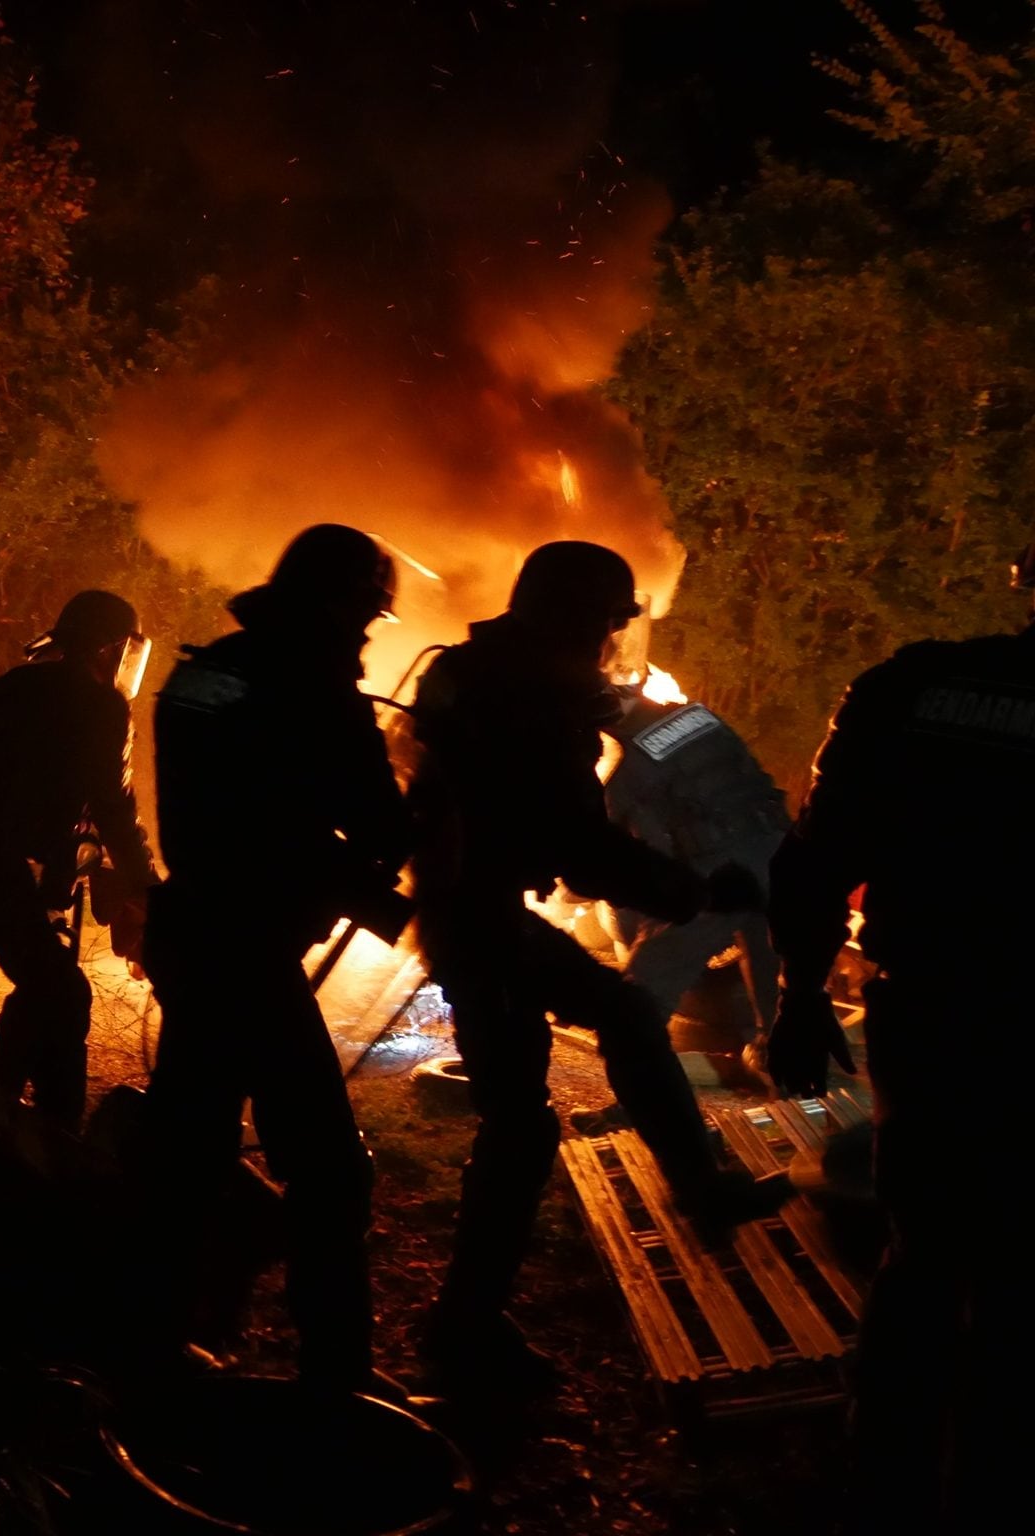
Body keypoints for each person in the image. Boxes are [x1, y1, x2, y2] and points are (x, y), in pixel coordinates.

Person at [408, 540, 791, 1395]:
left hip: (468, 903)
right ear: (578, 614)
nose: (610, 640)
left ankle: (701, 1189)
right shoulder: (537, 698)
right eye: (607, 622)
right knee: (522, 1125)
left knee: (618, 1017)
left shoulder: (477, 670)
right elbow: (580, 849)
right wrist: (690, 888)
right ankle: (462, 1328)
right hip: (480, 922)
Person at [766, 538, 1035, 1534]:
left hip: (930, 1021)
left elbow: (812, 863)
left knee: (922, 1253)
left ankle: (883, 1487)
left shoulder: (912, 687)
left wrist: (797, 1000)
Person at [139, 528, 412, 1397]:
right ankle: (336, 1381)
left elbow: (232, 812)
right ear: (335, 602)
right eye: (368, 614)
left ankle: (147, 1345)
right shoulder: (314, 685)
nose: (370, 636)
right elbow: (376, 825)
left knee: (187, 1152)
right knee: (330, 1169)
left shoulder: (208, 670)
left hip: (193, 932)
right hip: (247, 950)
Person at [0, 590, 158, 1132]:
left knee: (47, 983)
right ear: (110, 648)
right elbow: (113, 805)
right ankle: (38, 1125)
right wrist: (150, 887)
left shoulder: (23, 685)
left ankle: (8, 1105)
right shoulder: (101, 705)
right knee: (61, 989)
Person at [566, 687, 793, 1136]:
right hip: (778, 855)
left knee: (642, 994)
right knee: (775, 991)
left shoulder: (628, 767)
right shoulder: (699, 717)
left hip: (721, 873)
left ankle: (639, 1104)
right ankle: (791, 1099)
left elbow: (644, 853)